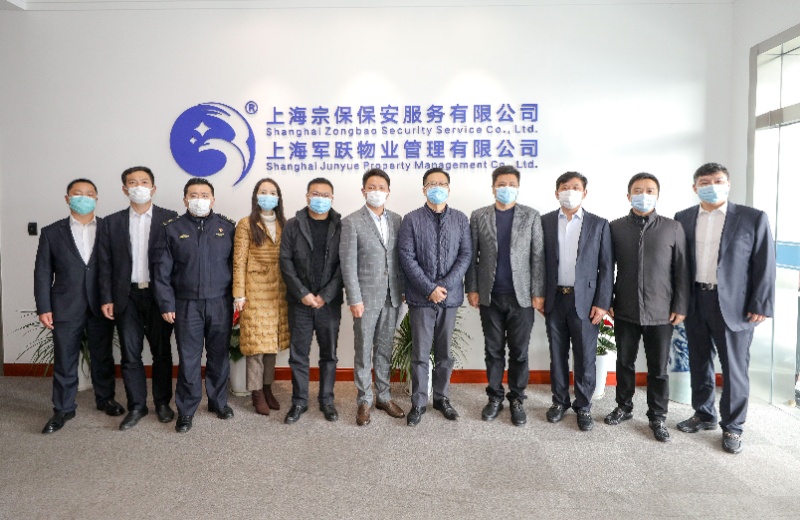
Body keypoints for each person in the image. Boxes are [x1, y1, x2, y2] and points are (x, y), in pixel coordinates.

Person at [674, 162, 775, 454]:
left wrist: (761, 303)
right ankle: (704, 414)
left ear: (728, 184)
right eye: (705, 182)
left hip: (735, 305)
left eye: (718, 181)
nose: (712, 186)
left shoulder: (752, 218)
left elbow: (764, 262)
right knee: (699, 361)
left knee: (734, 368)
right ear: (695, 188)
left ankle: (733, 426)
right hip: (695, 300)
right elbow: (678, 263)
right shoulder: (683, 218)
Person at [605, 172, 690, 442]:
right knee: (624, 362)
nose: (644, 195)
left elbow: (682, 270)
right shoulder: (615, 228)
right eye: (638, 190)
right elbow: (606, 269)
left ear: (657, 195)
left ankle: (657, 416)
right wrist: (607, 301)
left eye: (650, 190)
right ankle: (624, 407)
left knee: (658, 368)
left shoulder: (672, 228)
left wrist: (680, 305)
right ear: (628, 196)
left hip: (661, 311)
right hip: (625, 308)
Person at [35, 178, 123, 434]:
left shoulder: (109, 228)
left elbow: (118, 269)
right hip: (65, 305)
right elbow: (42, 272)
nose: (83, 197)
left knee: (103, 356)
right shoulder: (51, 232)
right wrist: (44, 307)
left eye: (89, 194)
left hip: (102, 304)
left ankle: (105, 399)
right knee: (65, 358)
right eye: (78, 193)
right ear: (67, 198)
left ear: (96, 198)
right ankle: (63, 408)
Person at [151, 178, 236, 433]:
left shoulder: (227, 228)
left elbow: (237, 267)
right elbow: (162, 272)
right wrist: (166, 304)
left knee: (219, 356)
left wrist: (238, 299)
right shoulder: (172, 229)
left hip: (220, 302)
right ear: (185, 199)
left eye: (204, 195)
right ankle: (186, 410)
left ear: (213, 199)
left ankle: (218, 402)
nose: (199, 199)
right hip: (186, 304)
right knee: (189, 359)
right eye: (194, 195)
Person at [97, 166, 178, 430]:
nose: (139, 186)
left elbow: (178, 263)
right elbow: (105, 264)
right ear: (125, 189)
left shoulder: (170, 219)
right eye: (133, 182)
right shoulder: (111, 222)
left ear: (153, 188)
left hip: (158, 295)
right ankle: (137, 406)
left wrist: (172, 298)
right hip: (126, 296)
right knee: (130, 354)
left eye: (144, 182)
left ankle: (163, 403)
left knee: (162, 352)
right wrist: (107, 297)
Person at [465, 165, 544, 427]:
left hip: (522, 298)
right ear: (493, 188)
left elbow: (537, 257)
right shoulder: (479, 216)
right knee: (493, 350)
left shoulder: (531, 216)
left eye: (511, 184)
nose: (506, 188)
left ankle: (517, 398)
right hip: (490, 296)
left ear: (518, 188)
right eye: (501, 184)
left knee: (519, 352)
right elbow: (472, 256)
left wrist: (538, 292)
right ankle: (495, 397)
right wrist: (472, 288)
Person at [399, 167, 472, 427]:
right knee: (420, 353)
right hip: (421, 298)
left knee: (444, 353)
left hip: (449, 299)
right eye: (432, 184)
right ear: (424, 189)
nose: (437, 188)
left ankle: (441, 398)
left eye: (442, 184)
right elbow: (406, 256)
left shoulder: (461, 219)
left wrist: (444, 287)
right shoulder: (411, 219)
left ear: (449, 189)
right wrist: (429, 288)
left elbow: (465, 255)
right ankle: (419, 402)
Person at [541, 172, 613, 432]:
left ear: (584, 193)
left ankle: (583, 406)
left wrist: (602, 303)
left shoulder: (599, 224)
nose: (569, 191)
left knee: (585, 355)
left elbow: (607, 267)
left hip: (586, 301)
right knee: (557, 354)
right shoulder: (545, 222)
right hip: (554, 298)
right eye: (565, 187)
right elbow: (538, 262)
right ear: (556, 192)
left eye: (575, 187)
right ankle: (559, 401)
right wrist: (539, 295)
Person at [340, 169, 406, 426]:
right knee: (364, 349)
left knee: (385, 348)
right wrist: (354, 299)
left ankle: (384, 396)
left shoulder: (397, 220)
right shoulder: (351, 222)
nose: (376, 191)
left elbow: (400, 258)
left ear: (388, 192)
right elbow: (348, 264)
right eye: (371, 187)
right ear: (363, 191)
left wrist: (402, 291)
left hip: (393, 296)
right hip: (365, 299)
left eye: (381, 187)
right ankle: (364, 399)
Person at [279, 177, 343, 425]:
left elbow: (344, 265)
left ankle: (327, 400)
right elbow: (285, 261)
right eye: (316, 194)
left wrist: (325, 295)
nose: (320, 199)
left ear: (332, 198)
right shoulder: (293, 225)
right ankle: (299, 401)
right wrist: (302, 293)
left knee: (329, 355)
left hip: (329, 303)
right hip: (300, 303)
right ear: (307, 196)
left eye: (325, 195)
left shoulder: (340, 226)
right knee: (298, 355)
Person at [232, 178, 290, 416]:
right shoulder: (246, 224)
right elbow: (239, 261)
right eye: (263, 192)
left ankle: (267, 388)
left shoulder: (284, 224)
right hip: (255, 293)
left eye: (272, 192)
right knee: (256, 346)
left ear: (278, 198)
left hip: (279, 293)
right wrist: (239, 295)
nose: (268, 196)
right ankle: (256, 392)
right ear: (256, 196)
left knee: (271, 345)